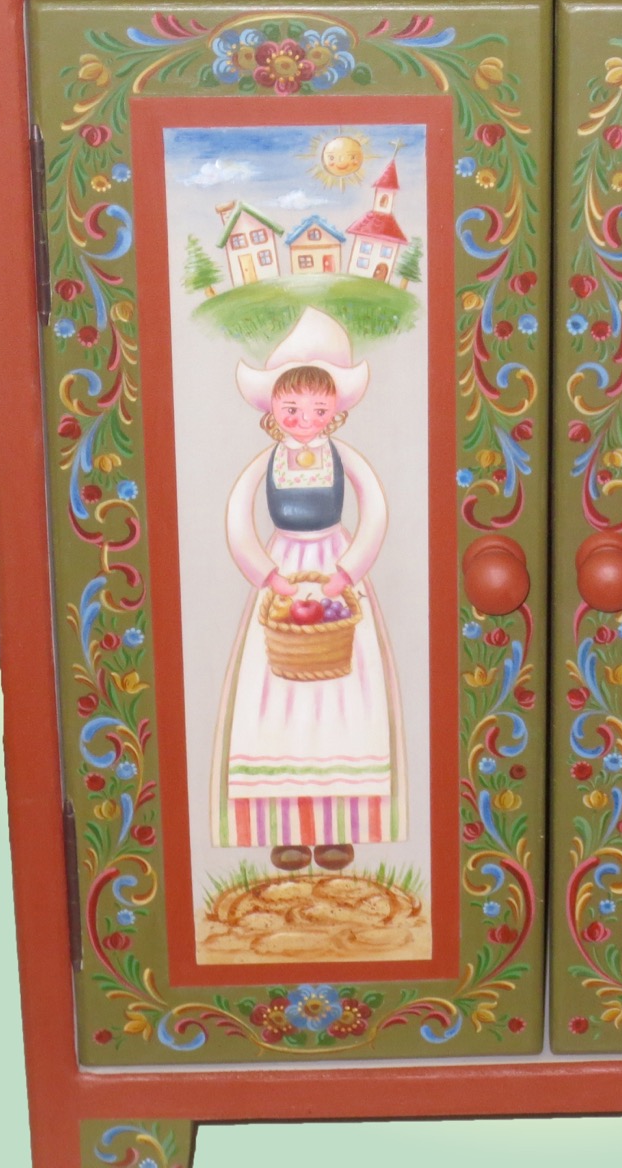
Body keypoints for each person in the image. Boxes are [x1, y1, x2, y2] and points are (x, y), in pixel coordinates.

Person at [209, 307, 407, 871]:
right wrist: (269, 577)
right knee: (277, 700)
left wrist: (346, 573)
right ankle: (284, 829)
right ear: (271, 409)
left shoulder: (345, 459)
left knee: (344, 700)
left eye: (318, 410)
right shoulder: (264, 463)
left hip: (334, 566)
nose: (304, 419)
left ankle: (340, 829)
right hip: (283, 571)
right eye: (291, 408)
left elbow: (375, 513)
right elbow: (237, 522)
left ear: (336, 411)